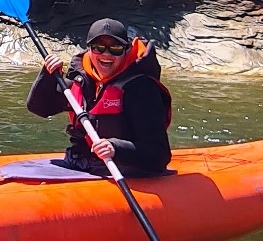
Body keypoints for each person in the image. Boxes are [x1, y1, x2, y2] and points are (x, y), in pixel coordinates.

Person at [25, 17, 172, 177]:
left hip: (123, 170)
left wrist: (115, 148)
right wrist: (47, 74)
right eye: (98, 47)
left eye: (115, 48)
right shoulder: (81, 80)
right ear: (89, 49)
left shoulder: (141, 89)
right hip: (79, 164)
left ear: (126, 50)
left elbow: (159, 155)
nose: (106, 54)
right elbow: (39, 108)